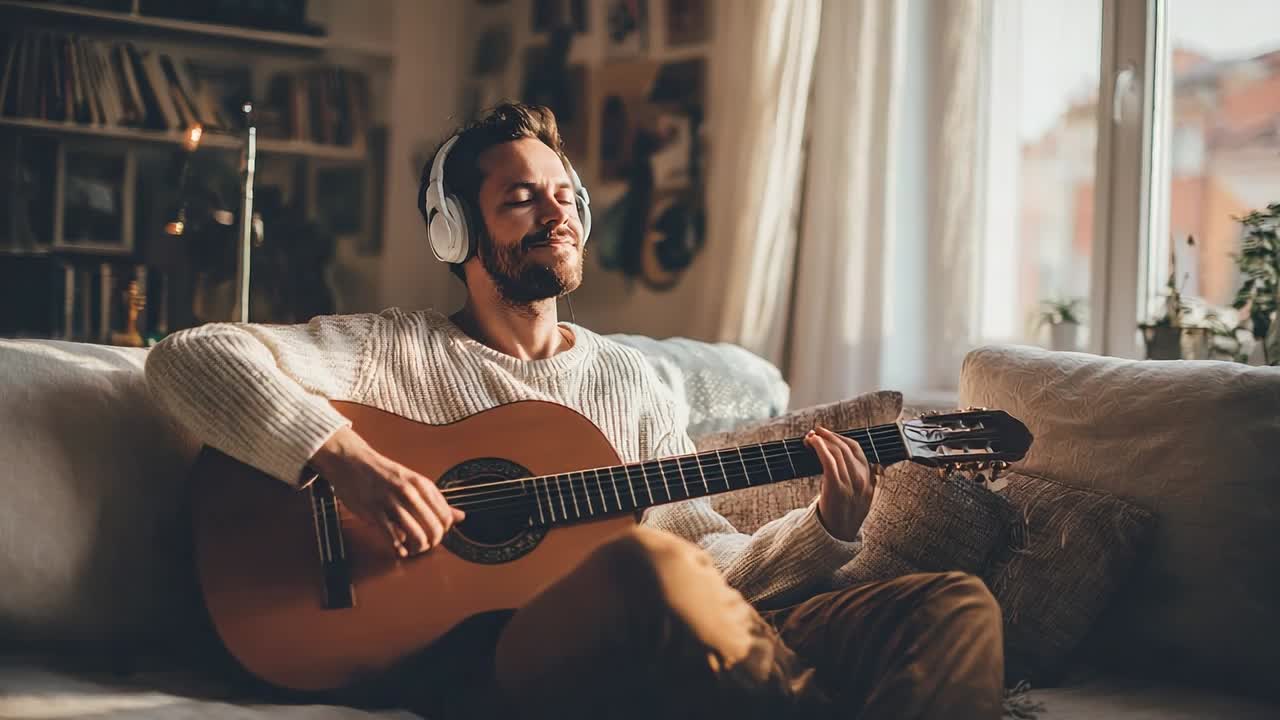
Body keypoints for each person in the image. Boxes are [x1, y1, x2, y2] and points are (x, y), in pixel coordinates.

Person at [146, 102, 1003, 720]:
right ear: (453, 232)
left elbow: (707, 561)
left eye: (565, 195)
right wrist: (346, 460)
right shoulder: (390, 349)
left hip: (663, 628)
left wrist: (824, 527)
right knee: (640, 566)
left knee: (954, 606)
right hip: (480, 661)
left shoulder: (628, 381)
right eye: (522, 197)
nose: (557, 211)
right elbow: (188, 357)